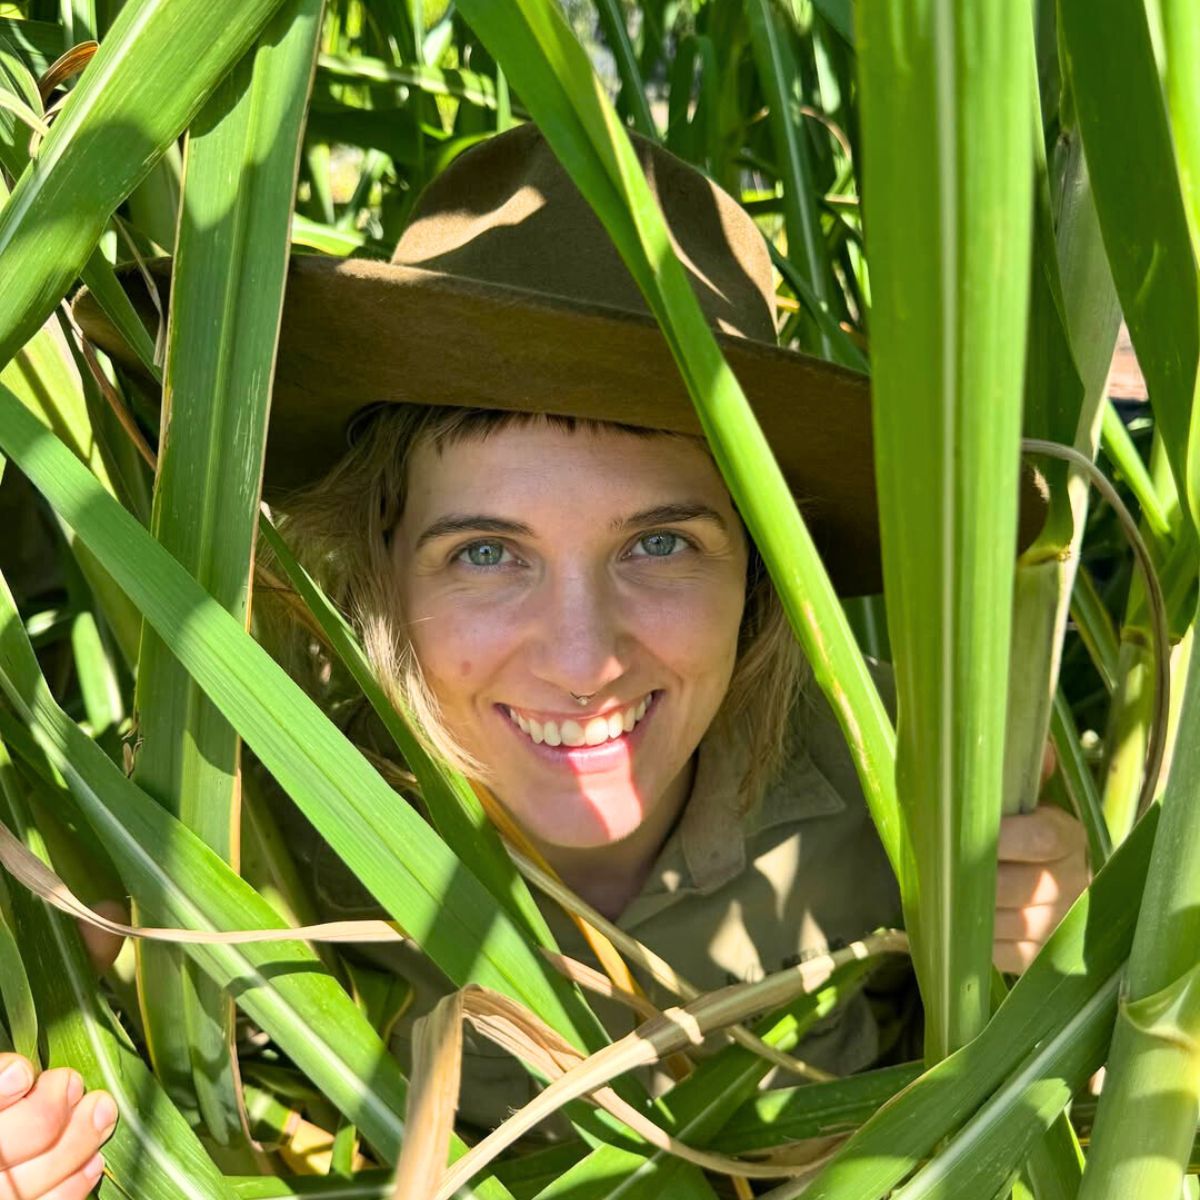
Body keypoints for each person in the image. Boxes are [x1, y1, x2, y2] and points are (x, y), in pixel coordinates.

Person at [5, 122, 1090, 1191]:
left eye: (661, 544)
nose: (583, 660)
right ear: (379, 568)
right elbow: (41, 940)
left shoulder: (916, 772)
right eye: (485, 553)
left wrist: (1064, 947)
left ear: (763, 573)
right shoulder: (244, 796)